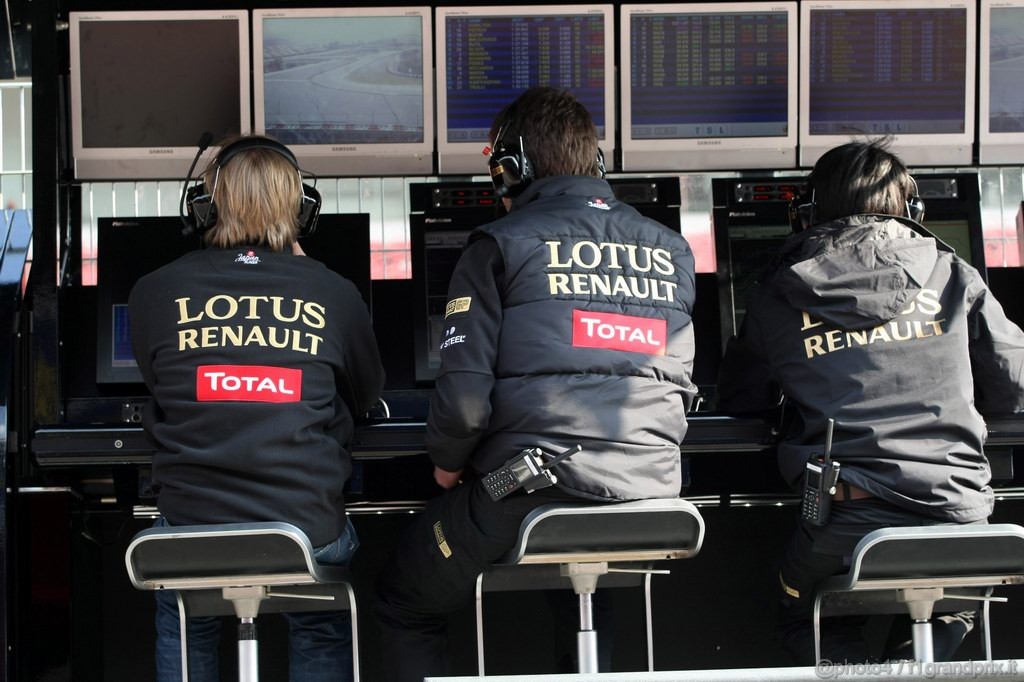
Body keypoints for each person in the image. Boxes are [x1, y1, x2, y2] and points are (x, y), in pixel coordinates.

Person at [373, 86, 698, 680]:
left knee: (402, 600)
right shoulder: (673, 250)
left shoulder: (498, 245)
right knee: (588, 581)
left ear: (511, 168)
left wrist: (447, 466)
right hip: (651, 498)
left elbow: (464, 403)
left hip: (530, 490)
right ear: (594, 163)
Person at [717, 139, 1024, 665]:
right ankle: (910, 671)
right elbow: (1013, 384)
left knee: (806, 611)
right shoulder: (955, 274)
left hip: (847, 521)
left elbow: (743, 399)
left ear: (809, 214)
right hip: (959, 514)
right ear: (912, 211)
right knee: (955, 604)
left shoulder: (779, 291)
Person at [129, 134, 385, 681]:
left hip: (190, 523)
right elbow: (366, 395)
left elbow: (160, 385)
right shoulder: (333, 291)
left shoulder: (154, 290)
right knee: (318, 618)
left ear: (205, 207)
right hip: (305, 524)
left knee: (183, 613)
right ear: (302, 209)